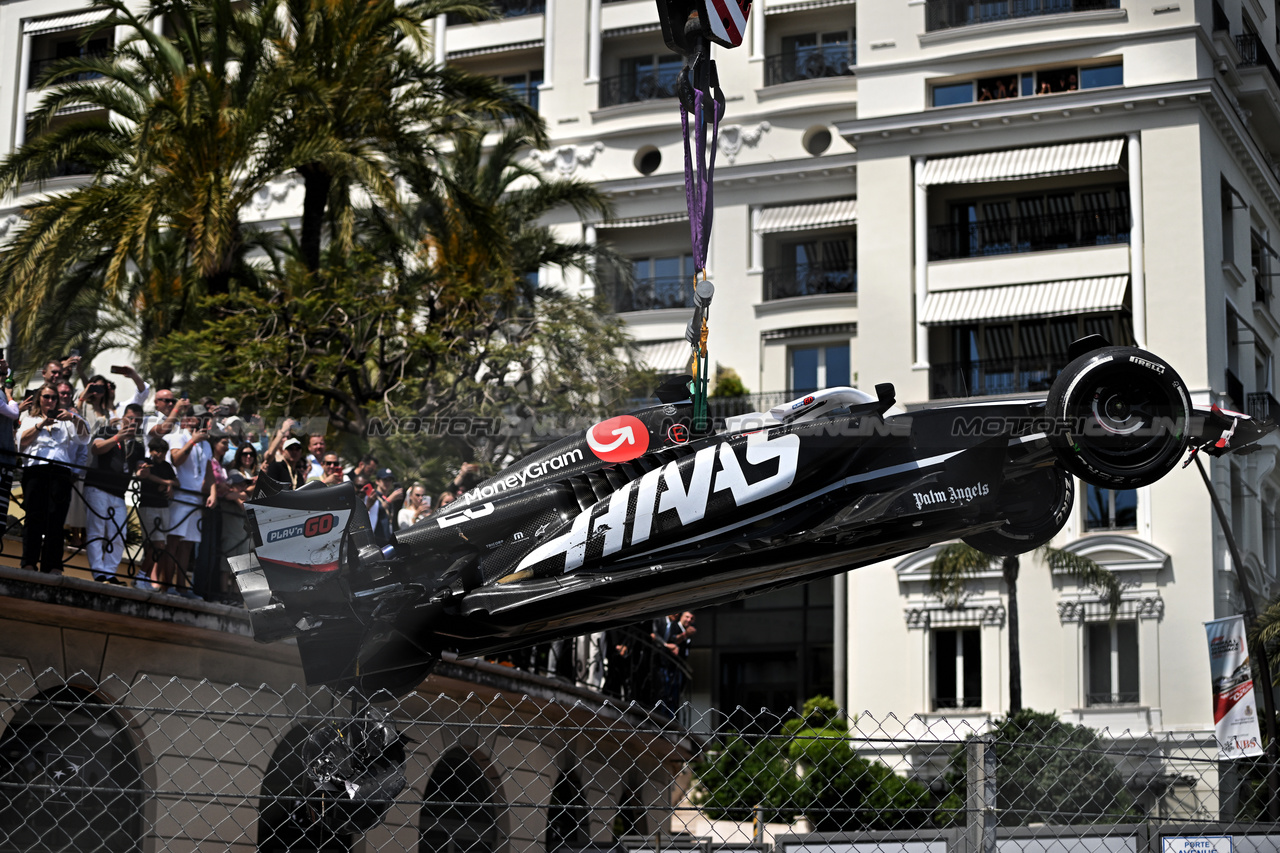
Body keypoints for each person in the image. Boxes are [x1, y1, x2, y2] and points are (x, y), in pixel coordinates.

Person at [18, 383, 90, 574]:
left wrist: (74, 418)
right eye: (46, 397)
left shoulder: (67, 419)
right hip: (35, 470)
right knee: (34, 517)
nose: (50, 401)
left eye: (54, 398)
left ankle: (53, 565)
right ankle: (29, 562)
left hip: (60, 471)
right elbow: (21, 443)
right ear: (39, 399)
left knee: (55, 520)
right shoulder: (29, 418)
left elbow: (84, 437)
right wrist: (40, 425)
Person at [84, 404, 145, 584]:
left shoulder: (138, 445)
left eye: (138, 420)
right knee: (96, 531)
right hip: (97, 487)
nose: (134, 423)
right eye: (131, 418)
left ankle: (110, 573)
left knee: (119, 534)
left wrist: (143, 471)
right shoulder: (107, 430)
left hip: (118, 493)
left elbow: (139, 466)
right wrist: (118, 437)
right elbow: (96, 448)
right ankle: (99, 573)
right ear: (123, 417)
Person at [164, 408, 211, 597]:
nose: (200, 422)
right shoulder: (178, 436)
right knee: (173, 543)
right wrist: (192, 441)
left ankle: (182, 588)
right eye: (198, 418)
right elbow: (176, 460)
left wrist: (212, 493)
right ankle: (165, 585)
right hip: (180, 497)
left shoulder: (206, 444)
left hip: (196, 499)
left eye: (204, 419)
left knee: (187, 546)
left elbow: (208, 472)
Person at [136, 436, 177, 591]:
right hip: (149, 506)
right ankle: (140, 576)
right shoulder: (146, 463)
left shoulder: (167, 466)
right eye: (157, 450)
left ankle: (145, 577)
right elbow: (145, 475)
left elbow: (177, 481)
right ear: (151, 451)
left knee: (160, 545)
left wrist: (169, 485)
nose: (160, 454)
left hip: (163, 507)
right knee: (156, 544)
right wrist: (166, 483)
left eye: (163, 451)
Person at [0, 356, 19, 523]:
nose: (4, 362)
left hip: (6, 460)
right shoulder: (2, 394)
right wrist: (10, 396)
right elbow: (13, 413)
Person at [371, 469, 403, 544]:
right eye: (385, 480)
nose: (387, 483)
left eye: (390, 480)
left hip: (386, 539)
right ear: (377, 481)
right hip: (376, 538)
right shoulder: (373, 495)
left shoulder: (387, 498)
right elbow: (377, 510)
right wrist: (390, 499)